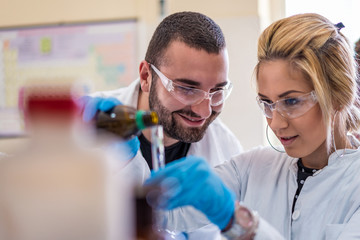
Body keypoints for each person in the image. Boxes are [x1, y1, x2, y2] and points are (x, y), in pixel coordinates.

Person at [146, 13, 360, 239]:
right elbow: (163, 213)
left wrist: (237, 221)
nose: (276, 123)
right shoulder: (251, 168)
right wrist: (113, 148)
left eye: (291, 101)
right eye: (267, 103)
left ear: (338, 96)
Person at [81, 11, 243, 239]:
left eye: (217, 91)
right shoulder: (90, 124)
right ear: (146, 76)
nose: (204, 111)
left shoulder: (226, 150)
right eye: (187, 89)